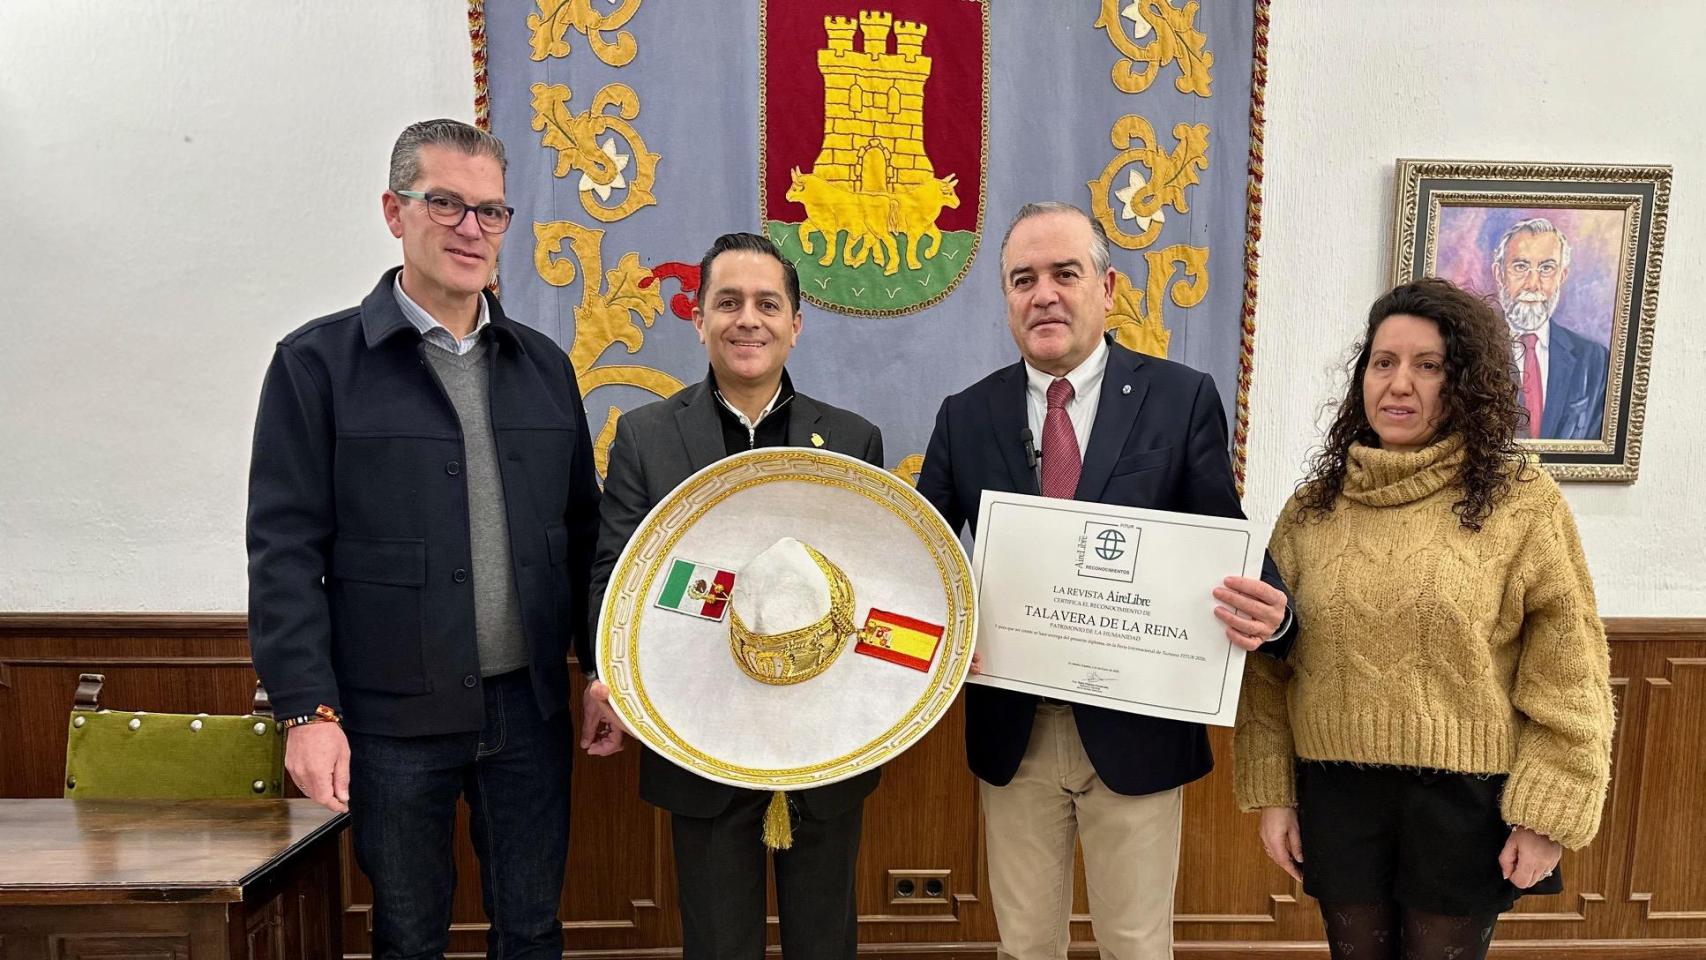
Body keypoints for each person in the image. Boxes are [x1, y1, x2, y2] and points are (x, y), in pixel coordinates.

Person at [246, 118, 600, 959]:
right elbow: (284, 550)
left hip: (529, 709)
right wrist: (308, 710)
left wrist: (603, 670)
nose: (470, 229)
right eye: (445, 204)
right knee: (407, 935)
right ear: (394, 211)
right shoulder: (317, 365)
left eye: (491, 211)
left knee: (532, 929)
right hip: (389, 716)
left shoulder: (546, 366)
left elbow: (584, 535)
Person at [915, 202, 1296, 960]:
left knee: (1136, 946)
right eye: (1023, 279)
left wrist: (1278, 617)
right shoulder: (967, 415)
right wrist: (935, 640)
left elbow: (1221, 532)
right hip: (1015, 734)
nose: (1044, 294)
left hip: (1137, 732)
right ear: (1007, 298)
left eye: (1065, 273)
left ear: (1108, 286)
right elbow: (918, 558)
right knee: (1024, 948)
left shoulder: (1180, 398)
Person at [1234, 277, 1615, 960]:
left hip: (1467, 804)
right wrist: (1274, 793)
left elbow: (1570, 674)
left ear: (1465, 381)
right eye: (1383, 363)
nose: (1399, 384)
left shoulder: (1523, 505)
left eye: (1427, 365)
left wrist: (1549, 813)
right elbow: (1269, 666)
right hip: (1337, 793)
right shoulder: (1311, 510)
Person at [581, 232, 882, 960]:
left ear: (796, 323)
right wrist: (603, 673)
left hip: (825, 747)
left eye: (767, 304)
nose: (748, 319)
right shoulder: (646, 438)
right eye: (728, 302)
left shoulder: (851, 441)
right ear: (699, 318)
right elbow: (613, 572)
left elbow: (879, 585)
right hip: (696, 736)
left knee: (825, 946)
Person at [1493, 217, 1608, 440]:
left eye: (1546, 268)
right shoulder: (1469, 350)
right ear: (1499, 274)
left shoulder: (1593, 360)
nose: (1533, 284)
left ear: (1562, 276)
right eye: (1520, 266)